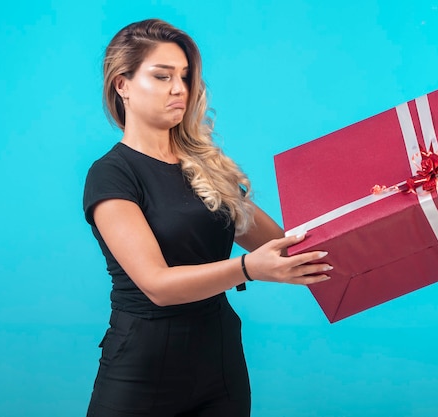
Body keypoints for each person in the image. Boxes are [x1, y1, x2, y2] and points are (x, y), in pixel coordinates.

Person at [83, 18, 332, 417]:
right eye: (162, 76)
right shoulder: (111, 174)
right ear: (122, 84)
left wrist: (386, 201)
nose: (179, 88)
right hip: (142, 368)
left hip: (220, 363)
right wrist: (248, 268)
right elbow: (158, 285)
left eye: (184, 76)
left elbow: (287, 246)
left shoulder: (206, 168)